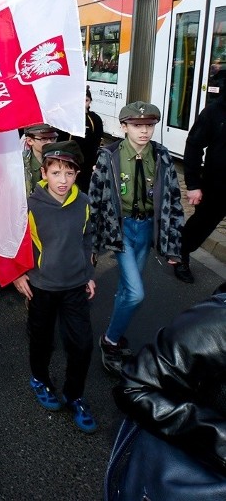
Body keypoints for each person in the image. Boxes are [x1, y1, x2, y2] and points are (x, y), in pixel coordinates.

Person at [89, 101, 185, 376]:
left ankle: (115, 336)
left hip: (146, 229)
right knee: (136, 292)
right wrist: (93, 246)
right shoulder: (109, 156)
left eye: (149, 125)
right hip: (122, 229)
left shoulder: (162, 156)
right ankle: (109, 340)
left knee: (126, 290)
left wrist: (173, 245)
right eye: (136, 125)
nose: (143, 131)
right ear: (123, 127)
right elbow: (95, 202)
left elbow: (173, 201)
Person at [106, 283, 226, 499]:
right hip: (184, 485)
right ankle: (110, 342)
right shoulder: (219, 319)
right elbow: (134, 387)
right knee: (134, 293)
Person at [11, 141, 98, 433]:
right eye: (57, 172)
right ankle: (40, 378)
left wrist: (89, 273)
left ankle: (74, 395)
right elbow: (15, 241)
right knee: (42, 340)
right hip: (42, 287)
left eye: (70, 173)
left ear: (77, 174)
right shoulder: (31, 206)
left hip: (75, 285)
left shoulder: (83, 202)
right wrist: (18, 275)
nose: (63, 180)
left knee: (82, 345)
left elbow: (87, 239)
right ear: (44, 172)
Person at [172, 88, 226, 284]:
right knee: (200, 226)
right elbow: (194, 145)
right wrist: (193, 184)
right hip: (217, 186)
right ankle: (180, 254)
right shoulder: (214, 111)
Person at [58, 87, 103, 192]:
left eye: (86, 100)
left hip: (88, 160)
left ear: (90, 101)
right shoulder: (68, 117)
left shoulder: (95, 119)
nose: (83, 104)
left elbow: (97, 140)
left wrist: (95, 160)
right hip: (70, 159)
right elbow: (61, 139)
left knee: (85, 186)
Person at [22, 123, 59, 195]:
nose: (50, 143)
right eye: (44, 139)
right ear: (30, 141)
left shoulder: (62, 162)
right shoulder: (20, 165)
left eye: (53, 138)